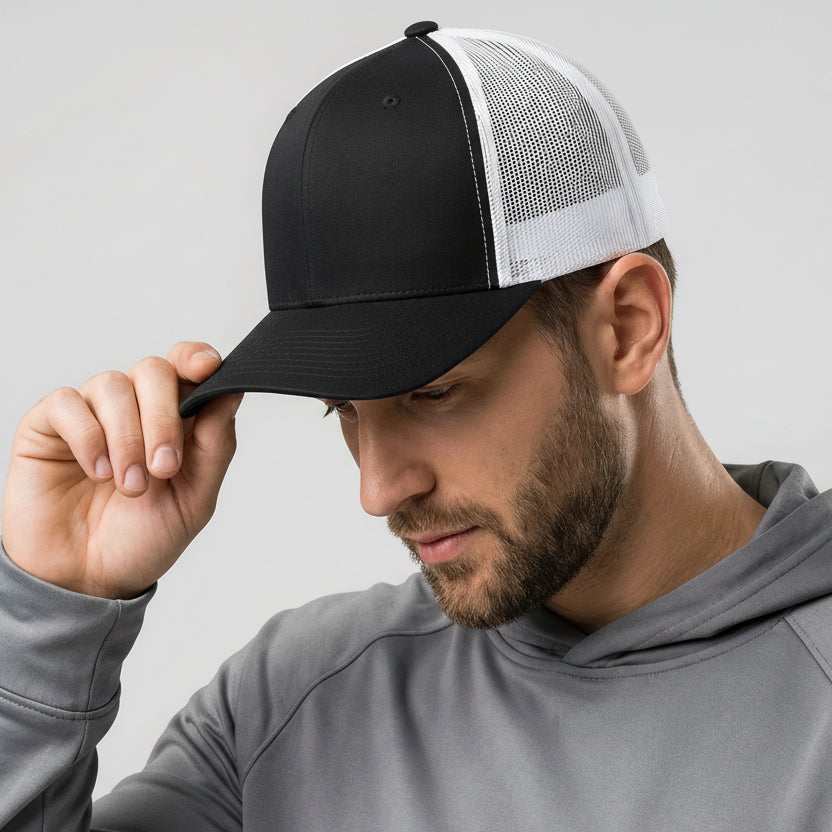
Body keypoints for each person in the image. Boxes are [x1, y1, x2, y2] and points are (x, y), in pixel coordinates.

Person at [2, 20, 832, 831]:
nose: (377, 488)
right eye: (345, 413)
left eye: (433, 393)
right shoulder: (290, 707)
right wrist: (51, 613)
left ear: (628, 328)